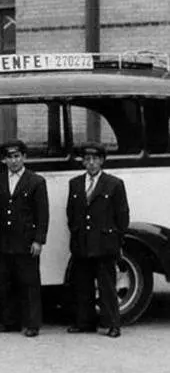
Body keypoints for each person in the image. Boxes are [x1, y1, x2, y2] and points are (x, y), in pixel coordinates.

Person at [0, 139, 49, 337]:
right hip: (4, 240)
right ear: (4, 160)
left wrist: (38, 240)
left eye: (17, 156)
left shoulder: (36, 181)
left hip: (26, 241)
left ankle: (32, 323)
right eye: (9, 157)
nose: (13, 161)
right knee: (6, 283)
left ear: (24, 157)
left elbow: (42, 214)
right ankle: (9, 321)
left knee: (29, 283)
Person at [66, 142, 130, 338]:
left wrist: (116, 240)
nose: (91, 163)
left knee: (107, 287)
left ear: (102, 161)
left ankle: (112, 324)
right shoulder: (75, 183)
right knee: (83, 285)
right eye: (87, 159)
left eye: (95, 159)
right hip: (82, 243)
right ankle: (85, 322)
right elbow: (71, 212)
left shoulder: (114, 184)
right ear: (83, 162)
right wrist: (76, 233)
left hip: (104, 244)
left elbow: (122, 215)